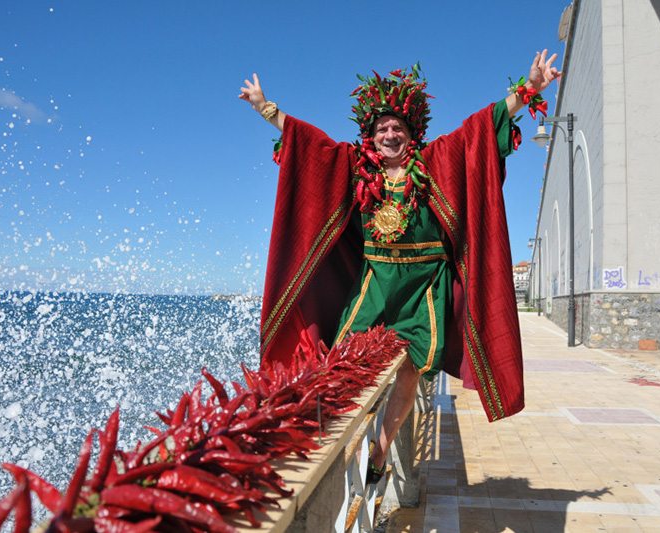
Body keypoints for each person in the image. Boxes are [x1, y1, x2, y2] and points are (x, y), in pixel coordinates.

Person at [240, 52, 561, 483]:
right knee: (339, 361)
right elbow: (312, 150)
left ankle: (379, 452)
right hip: (375, 282)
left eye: (398, 128)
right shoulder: (355, 169)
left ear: (412, 134)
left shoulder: (435, 162)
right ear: (370, 138)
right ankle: (314, 443)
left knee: (410, 368)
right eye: (382, 129)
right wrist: (267, 108)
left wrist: (529, 89)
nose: (390, 134)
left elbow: (478, 130)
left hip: (424, 286)